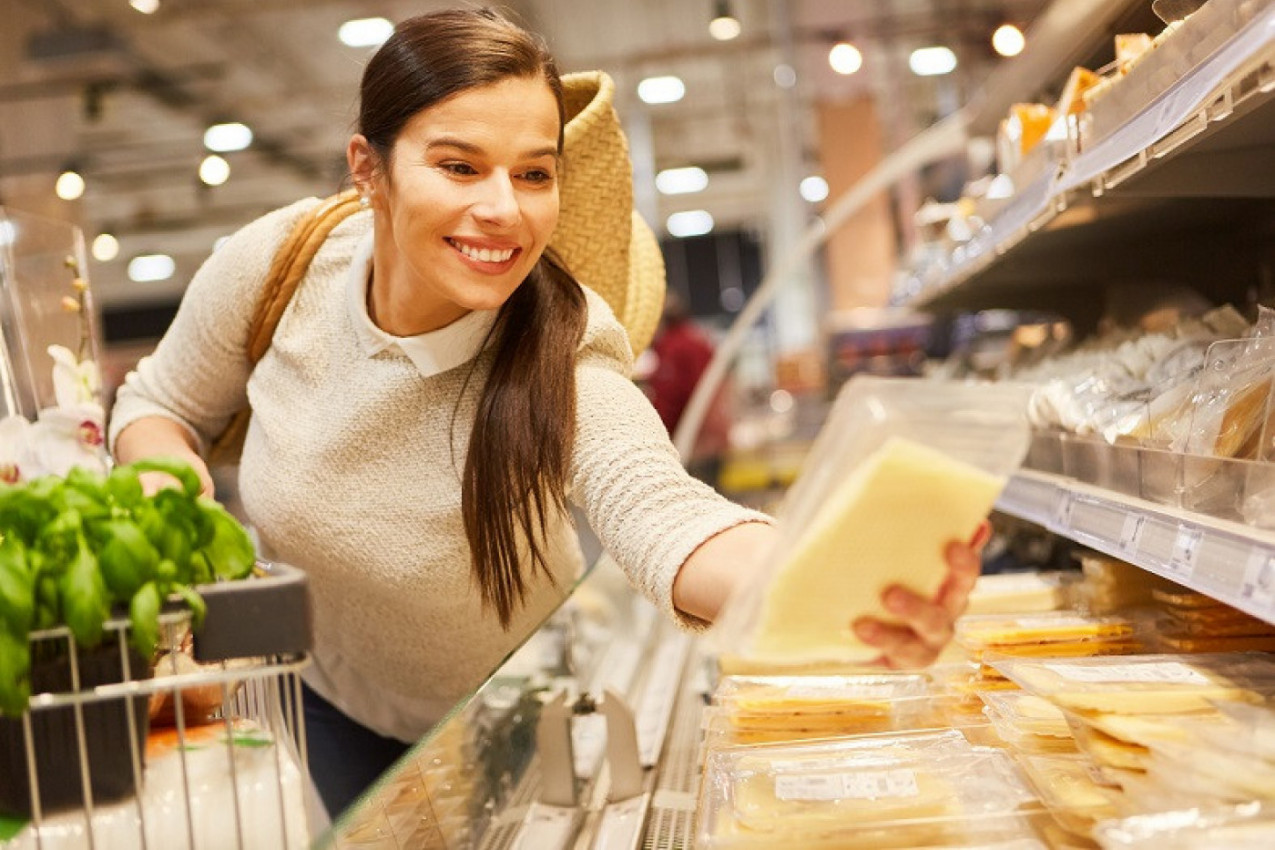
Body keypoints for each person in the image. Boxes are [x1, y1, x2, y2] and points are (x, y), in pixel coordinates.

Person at [108, 8, 985, 819]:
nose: (504, 209)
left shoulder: (560, 344)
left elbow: (659, 511)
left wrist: (816, 578)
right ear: (368, 168)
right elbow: (159, 403)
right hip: (327, 703)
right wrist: (167, 484)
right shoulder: (278, 266)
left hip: (513, 711)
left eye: (534, 174)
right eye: (459, 166)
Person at [646, 291, 731, 486]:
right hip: (712, 443)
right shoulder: (698, 340)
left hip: (694, 445)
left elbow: (670, 398)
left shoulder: (675, 348)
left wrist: (656, 438)